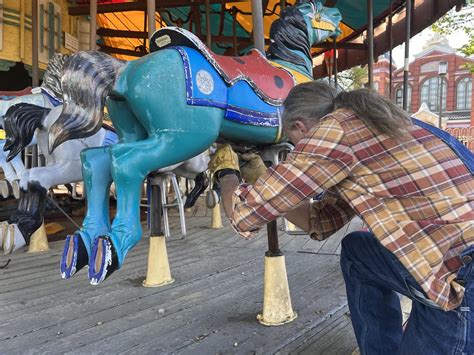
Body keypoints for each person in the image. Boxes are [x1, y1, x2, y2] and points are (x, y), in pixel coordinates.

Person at [209, 81, 474, 354]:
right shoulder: (384, 123)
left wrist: (226, 175)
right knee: (358, 252)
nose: (298, 151)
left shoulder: (334, 131)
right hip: (455, 255)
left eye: (294, 143)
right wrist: (264, 180)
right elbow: (321, 222)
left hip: (460, 277)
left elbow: (244, 216)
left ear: (301, 127)